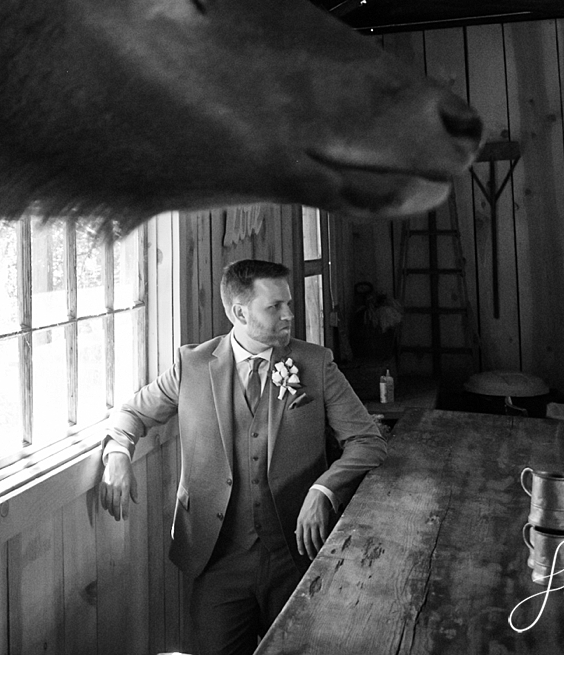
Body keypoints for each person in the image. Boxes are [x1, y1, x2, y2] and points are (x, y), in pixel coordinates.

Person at [98, 258, 387, 654]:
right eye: (275, 307)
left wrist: (324, 489)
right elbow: (132, 412)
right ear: (239, 312)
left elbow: (367, 440)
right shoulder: (193, 365)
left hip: (296, 553)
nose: (289, 314)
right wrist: (117, 453)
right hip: (215, 557)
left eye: (289, 303)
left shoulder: (316, 364)